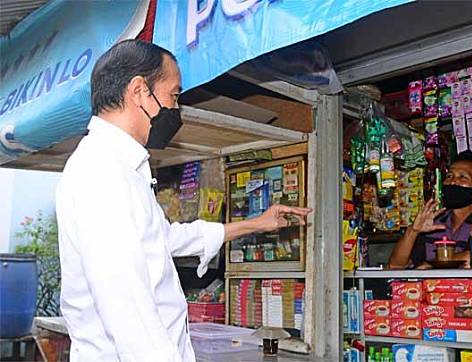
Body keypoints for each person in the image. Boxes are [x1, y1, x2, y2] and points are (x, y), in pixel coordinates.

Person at [56, 40, 311, 362]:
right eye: (174, 95)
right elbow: (124, 300)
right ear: (139, 91)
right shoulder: (101, 170)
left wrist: (258, 224)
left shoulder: (121, 167)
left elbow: (163, 240)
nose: (176, 108)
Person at [388, 151, 472, 269]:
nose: (453, 181)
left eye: (463, 177)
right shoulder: (434, 222)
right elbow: (395, 265)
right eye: (449, 176)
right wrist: (413, 231)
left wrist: (431, 265)